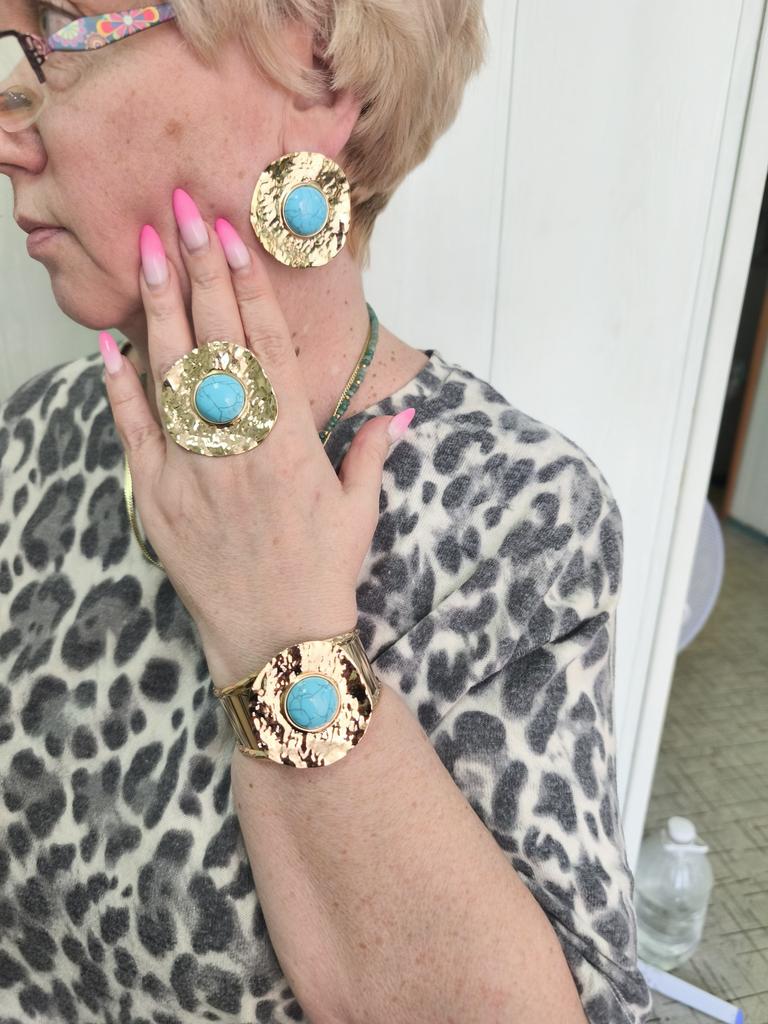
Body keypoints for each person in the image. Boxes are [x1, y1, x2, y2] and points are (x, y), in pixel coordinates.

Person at [0, 2, 653, 1022]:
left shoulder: (519, 521)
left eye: (59, 28)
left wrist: (277, 624)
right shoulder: (36, 434)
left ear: (317, 75)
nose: (8, 113)